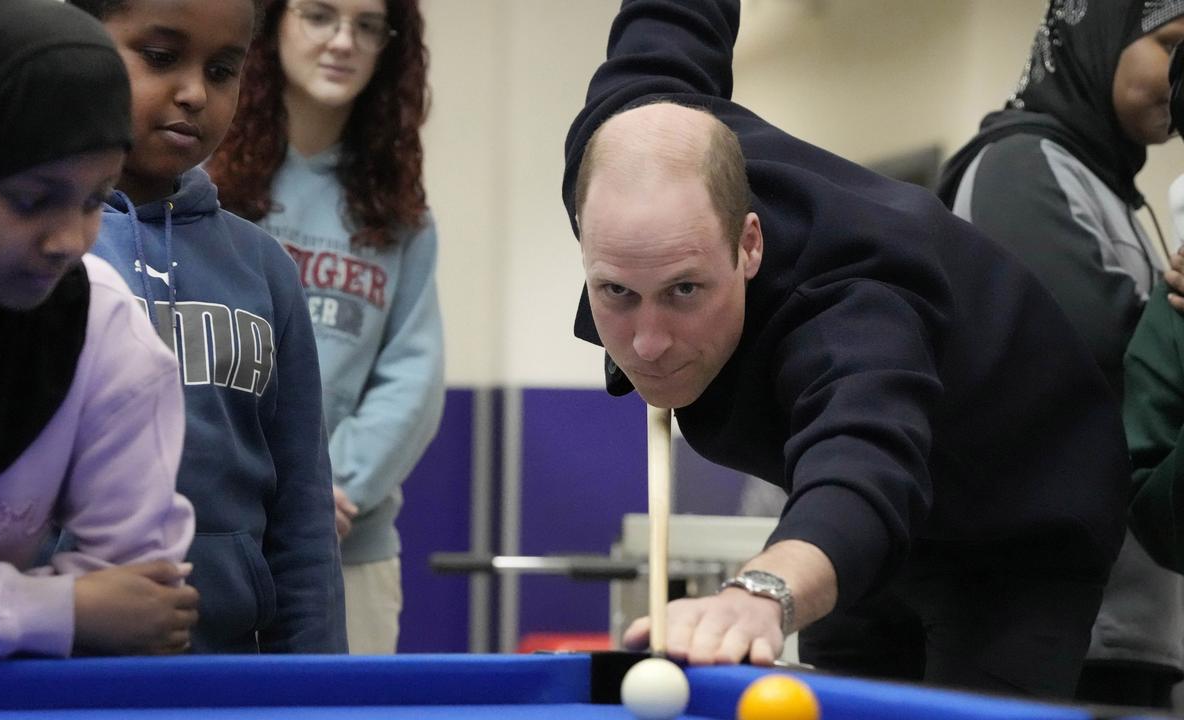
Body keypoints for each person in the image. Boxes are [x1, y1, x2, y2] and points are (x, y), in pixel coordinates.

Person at [563, 0, 1130, 699]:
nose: (647, 342)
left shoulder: (851, 306)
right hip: (864, 533)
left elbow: (862, 467)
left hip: (1019, 518)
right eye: (616, 291)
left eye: (684, 289)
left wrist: (760, 594)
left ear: (748, 245)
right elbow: (671, 20)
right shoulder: (618, 149)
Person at [0, 0, 197, 657]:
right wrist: (48, 610)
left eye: (97, 199)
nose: (70, 240)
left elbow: (140, 599)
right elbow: (93, 610)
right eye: (33, 200)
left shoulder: (105, 331)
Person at [67, 0, 348, 653]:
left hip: (226, 665)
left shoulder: (263, 270)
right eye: (161, 57)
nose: (194, 92)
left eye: (223, 70)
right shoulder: (40, 250)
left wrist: (316, 682)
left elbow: (301, 514)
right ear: (77, 51)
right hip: (52, 667)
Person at [932, 1, 1184, 708]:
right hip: (1051, 623)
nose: (1182, 72)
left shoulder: (1109, 188)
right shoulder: (1021, 163)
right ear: (1096, 41)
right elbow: (1085, 348)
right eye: (1169, 44)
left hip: (1116, 619)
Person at [208, 0, 441, 655]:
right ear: (272, 23)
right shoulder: (202, 182)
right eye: (320, 16)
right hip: (220, 536)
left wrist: (329, 490)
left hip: (351, 542)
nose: (344, 41)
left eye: (369, 26)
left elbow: (412, 377)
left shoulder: (401, 213)